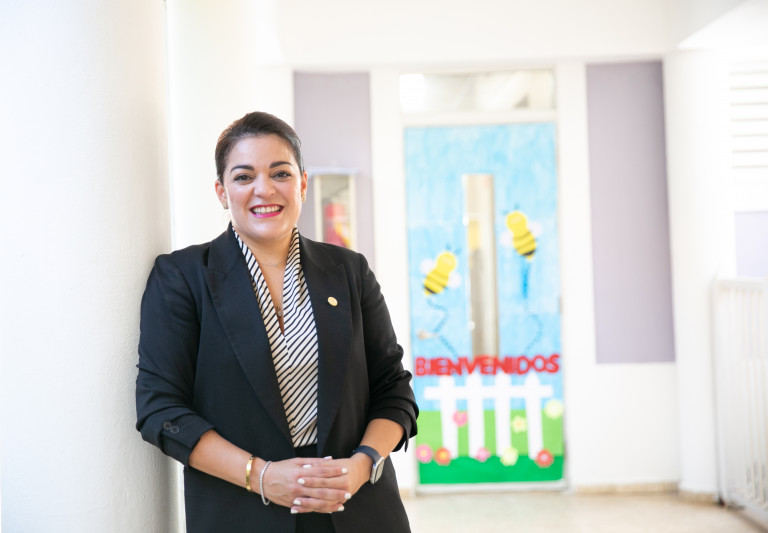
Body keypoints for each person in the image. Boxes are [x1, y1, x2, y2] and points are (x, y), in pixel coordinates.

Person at [135, 111, 418, 533]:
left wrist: (362, 466)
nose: (264, 189)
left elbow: (393, 388)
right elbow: (160, 409)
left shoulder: (349, 271)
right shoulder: (181, 277)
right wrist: (263, 476)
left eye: (280, 173)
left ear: (302, 184)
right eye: (244, 176)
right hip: (243, 513)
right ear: (221, 191)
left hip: (358, 509)